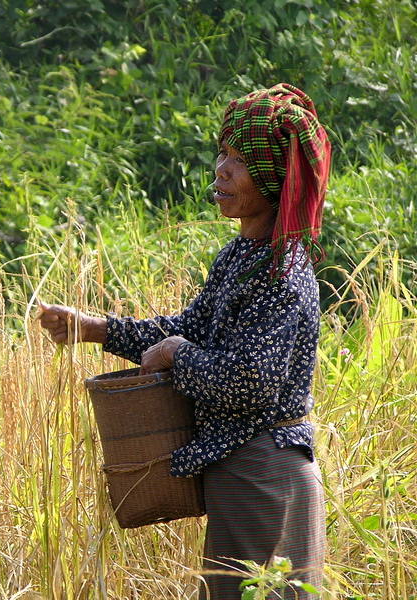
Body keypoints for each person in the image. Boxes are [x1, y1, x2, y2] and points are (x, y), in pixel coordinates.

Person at [39, 83, 331, 599]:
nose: (221, 169)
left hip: (265, 474)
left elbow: (252, 383)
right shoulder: (243, 257)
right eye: (222, 153)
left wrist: (179, 354)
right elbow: (190, 328)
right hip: (244, 472)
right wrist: (94, 327)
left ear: (273, 178)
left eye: (240, 160)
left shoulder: (281, 273)